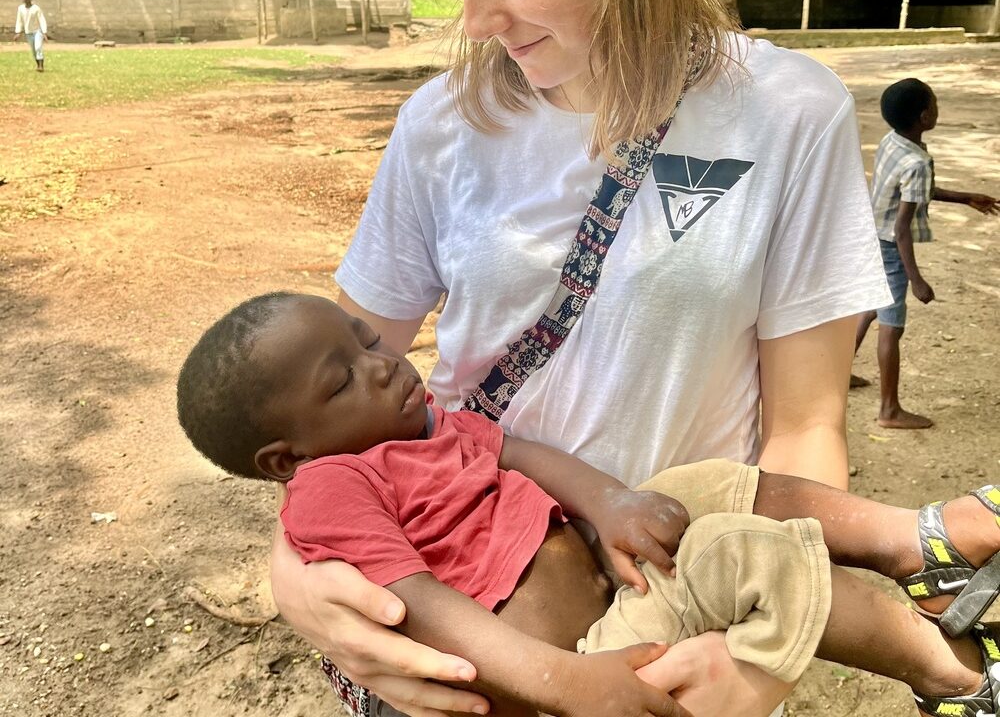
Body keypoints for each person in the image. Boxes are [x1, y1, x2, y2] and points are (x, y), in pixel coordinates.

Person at [268, 0, 895, 717]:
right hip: (477, 610)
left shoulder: (788, 113)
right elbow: (322, 393)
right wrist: (294, 572)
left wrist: (761, 653)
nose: (474, 16)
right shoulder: (439, 124)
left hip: (674, 605)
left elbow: (804, 426)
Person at [178, 291, 1000, 717]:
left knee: (703, 485)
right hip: (582, 662)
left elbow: (522, 454)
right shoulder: (334, 486)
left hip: (607, 575)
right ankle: (949, 678)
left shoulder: (428, 427)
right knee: (746, 554)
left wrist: (611, 504)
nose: (384, 365)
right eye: (342, 381)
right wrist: (565, 682)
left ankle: (916, 542)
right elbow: (415, 604)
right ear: (286, 458)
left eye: (367, 341)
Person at [855, 78, 999, 429]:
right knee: (891, 326)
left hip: (873, 234)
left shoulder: (893, 141)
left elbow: (916, 191)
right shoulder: (917, 161)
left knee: (871, 306)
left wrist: (965, 197)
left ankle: (840, 371)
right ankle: (889, 410)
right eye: (934, 103)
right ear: (924, 116)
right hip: (890, 245)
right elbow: (902, 228)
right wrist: (916, 279)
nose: (937, 108)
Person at [13, 0, 47, 72]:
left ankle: (41, 66)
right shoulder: (20, 8)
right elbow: (19, 20)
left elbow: (42, 19)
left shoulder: (36, 8)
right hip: (28, 32)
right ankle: (38, 65)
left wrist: (44, 32)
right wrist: (18, 32)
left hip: (37, 31)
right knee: (34, 50)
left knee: (38, 47)